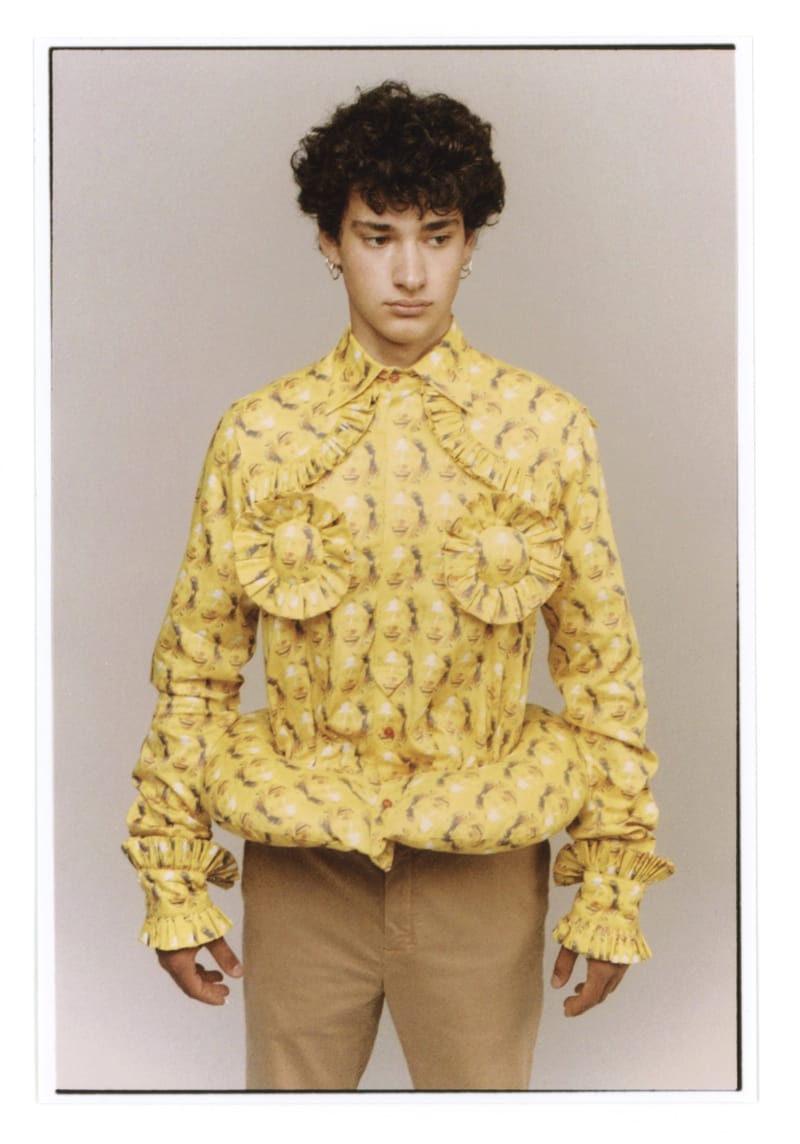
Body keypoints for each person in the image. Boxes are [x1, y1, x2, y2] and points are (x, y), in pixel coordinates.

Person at [123, 80, 673, 1091]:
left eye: (438, 236)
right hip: (302, 867)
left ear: (471, 243)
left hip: (482, 870)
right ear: (329, 242)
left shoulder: (545, 430)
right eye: (378, 237)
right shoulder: (258, 436)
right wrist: (172, 876)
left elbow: (602, 670)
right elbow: (196, 670)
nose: (410, 272)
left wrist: (608, 885)